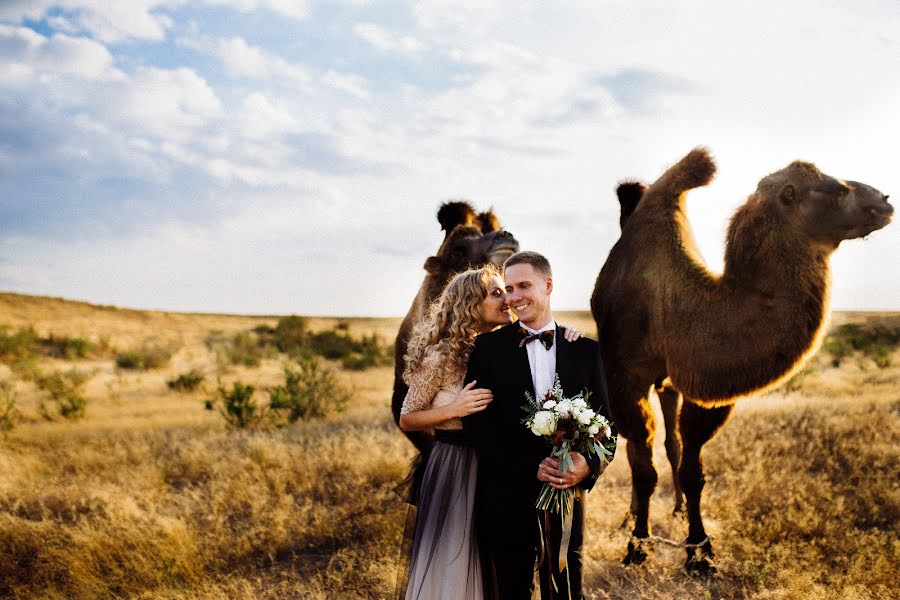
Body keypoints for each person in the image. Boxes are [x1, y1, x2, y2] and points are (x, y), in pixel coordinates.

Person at [397, 264, 583, 600]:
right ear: (471, 302)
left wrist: (568, 335)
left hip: (497, 464)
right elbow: (407, 418)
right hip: (455, 464)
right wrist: (455, 409)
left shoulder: (501, 349)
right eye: (497, 293)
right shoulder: (442, 354)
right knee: (456, 558)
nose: (508, 300)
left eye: (509, 291)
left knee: (497, 562)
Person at [462, 251, 617, 600]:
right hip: (505, 496)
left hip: (566, 499)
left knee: (564, 590)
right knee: (511, 589)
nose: (515, 297)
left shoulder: (585, 351)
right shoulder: (487, 349)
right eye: (509, 288)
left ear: (548, 286)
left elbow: (608, 427)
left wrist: (586, 466)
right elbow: (479, 429)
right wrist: (530, 468)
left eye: (524, 286)